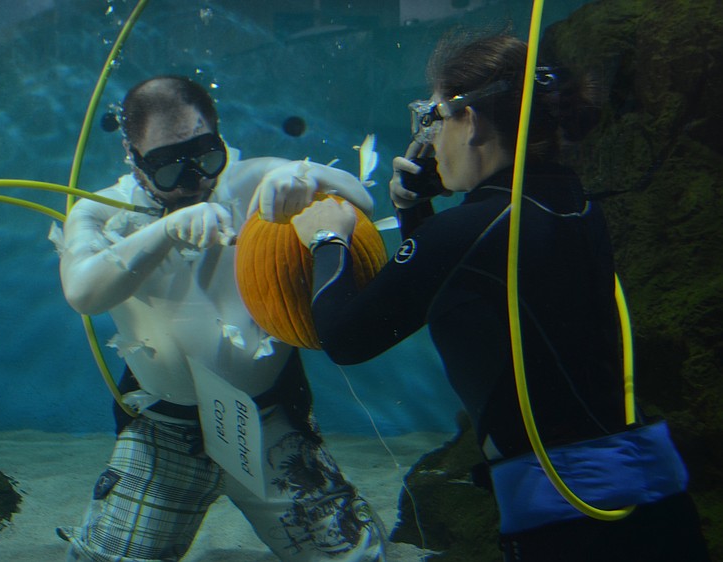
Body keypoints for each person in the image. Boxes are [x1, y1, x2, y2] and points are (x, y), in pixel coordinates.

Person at [290, 34, 710, 562]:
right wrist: (419, 212)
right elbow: (465, 298)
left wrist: (327, 240)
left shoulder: (469, 235)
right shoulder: (571, 205)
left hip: (569, 526)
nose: (429, 137)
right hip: (654, 503)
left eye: (434, 117)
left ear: (471, 120)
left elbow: (345, 338)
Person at [55, 75, 386, 562]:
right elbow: (83, 292)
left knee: (356, 558)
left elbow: (361, 195)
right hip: (162, 431)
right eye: (168, 168)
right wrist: (163, 232)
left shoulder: (254, 179)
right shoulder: (101, 211)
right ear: (133, 154)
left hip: (268, 420)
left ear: (219, 135)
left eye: (206, 156)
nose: (195, 181)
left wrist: (306, 179)